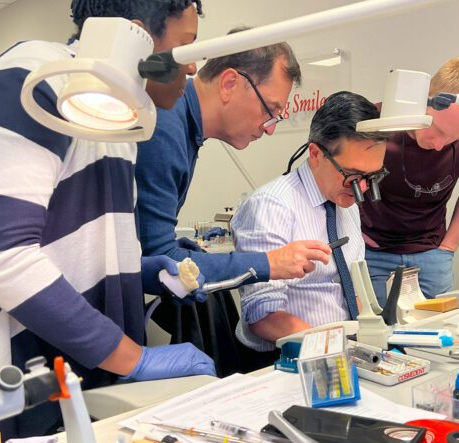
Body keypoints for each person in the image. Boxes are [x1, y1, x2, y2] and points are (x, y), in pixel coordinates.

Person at [0, 0, 213, 437]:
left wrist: (139, 272)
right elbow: (2, 258)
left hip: (72, 372)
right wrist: (132, 357)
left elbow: (69, 250)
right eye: (185, 45)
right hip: (7, 380)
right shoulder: (37, 75)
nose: (192, 64)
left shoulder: (112, 113)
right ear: (138, 38)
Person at [135, 30, 333, 373]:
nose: (270, 128)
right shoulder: (166, 125)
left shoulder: (184, 129)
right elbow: (159, 259)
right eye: (270, 110)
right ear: (230, 83)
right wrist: (268, 262)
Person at [232, 91, 389, 361]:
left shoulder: (344, 202)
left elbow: (353, 288)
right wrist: (334, 349)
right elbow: (262, 316)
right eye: (353, 176)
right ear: (316, 154)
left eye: (373, 176)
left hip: (343, 351)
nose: (363, 188)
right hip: (287, 359)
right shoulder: (271, 206)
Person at [360, 57, 459, 304]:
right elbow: (337, 182)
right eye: (439, 131)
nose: (439, 145)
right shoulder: (377, 121)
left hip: (433, 254)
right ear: (424, 99)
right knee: (375, 335)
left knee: (433, 333)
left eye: (454, 139)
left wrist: (449, 246)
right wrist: (354, 239)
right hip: (371, 252)